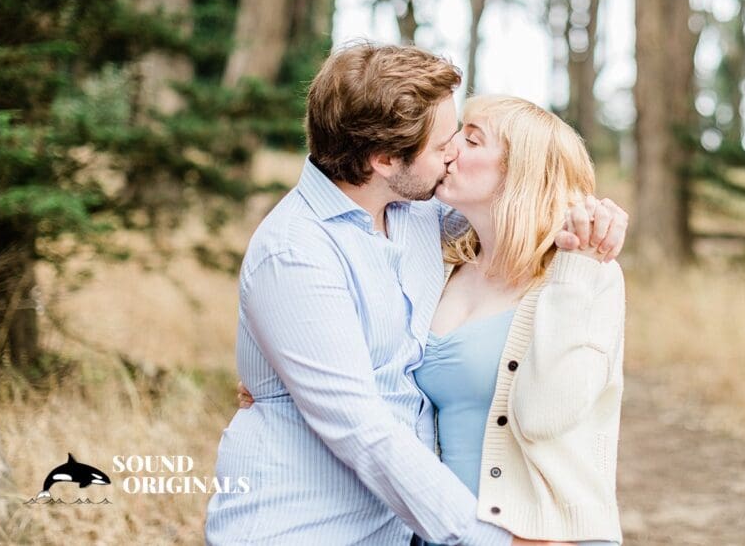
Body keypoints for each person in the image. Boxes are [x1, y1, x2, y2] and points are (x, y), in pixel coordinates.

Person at [206, 42, 627, 546]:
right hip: (303, 526)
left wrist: (591, 222)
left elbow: (520, 205)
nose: (452, 154)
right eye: (445, 143)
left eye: (464, 139)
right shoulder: (296, 254)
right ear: (384, 159)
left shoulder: (417, 217)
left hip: (403, 529)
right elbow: (363, 429)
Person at [417, 95, 625, 545]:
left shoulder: (586, 273)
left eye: (471, 140)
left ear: (520, 172)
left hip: (537, 537)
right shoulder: (441, 260)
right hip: (445, 530)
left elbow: (542, 415)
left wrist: (577, 267)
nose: (449, 148)